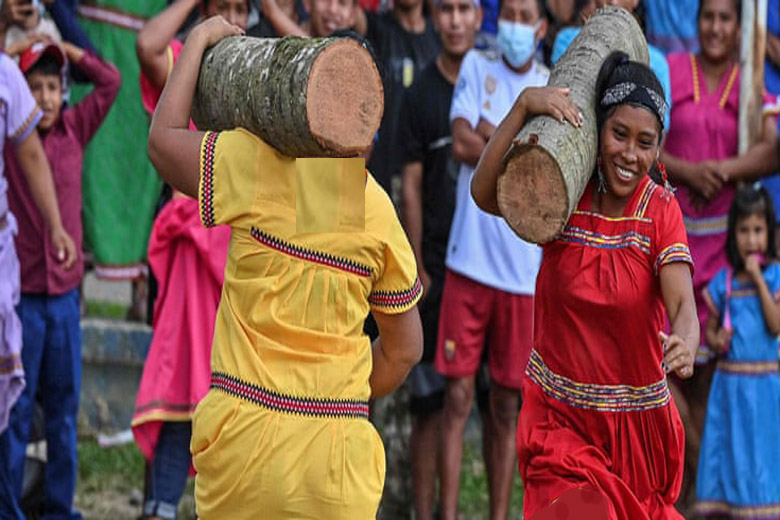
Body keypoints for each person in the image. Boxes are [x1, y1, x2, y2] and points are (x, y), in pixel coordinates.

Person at [147, 15, 424, 519]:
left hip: (242, 446)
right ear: (374, 123)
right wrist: (339, 390)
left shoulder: (256, 167)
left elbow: (162, 142)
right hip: (334, 461)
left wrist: (199, 42)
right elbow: (405, 351)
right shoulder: (377, 212)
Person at [473, 50, 699, 519]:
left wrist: (687, 341)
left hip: (633, 435)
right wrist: (522, 107)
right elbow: (484, 192)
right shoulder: (564, 192)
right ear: (598, 130)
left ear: (659, 148)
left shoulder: (659, 211)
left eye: (645, 142)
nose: (629, 155)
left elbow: (683, 306)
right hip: (560, 423)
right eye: (619, 135)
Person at [132, 2, 248, 519]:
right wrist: (198, 28)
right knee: (180, 385)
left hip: (239, 257)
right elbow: (146, 45)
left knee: (227, 396)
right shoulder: (184, 61)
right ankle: (158, 507)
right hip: (188, 255)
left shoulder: (257, 75)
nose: (229, 16)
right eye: (218, 6)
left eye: (239, 7)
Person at [660, 0, 779, 507]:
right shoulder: (670, 71)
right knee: (666, 379)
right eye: (707, 16)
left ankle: (697, 500)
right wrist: (687, 172)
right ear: (696, 20)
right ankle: (674, 492)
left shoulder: (749, 82)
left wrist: (723, 169)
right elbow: (640, 139)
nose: (714, 27)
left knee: (710, 385)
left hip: (722, 262)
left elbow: (773, 149)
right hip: (670, 251)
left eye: (726, 18)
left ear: (738, 26)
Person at [434, 1, 548, 518]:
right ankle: (450, 514)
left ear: (542, 28)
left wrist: (488, 135)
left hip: (524, 275)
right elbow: (460, 142)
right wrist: (516, 151)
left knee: (507, 407)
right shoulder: (477, 67)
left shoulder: (552, 87)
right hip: (469, 262)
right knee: (455, 399)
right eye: (511, 14)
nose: (516, 26)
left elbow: (541, 172)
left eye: (526, 17)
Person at [0, 40, 110, 520]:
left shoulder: (75, 129)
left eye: (53, 86)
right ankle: (8, 509)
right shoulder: (11, 142)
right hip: (22, 300)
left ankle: (60, 510)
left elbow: (111, 81)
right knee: (15, 415)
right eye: (34, 86)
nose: (44, 98)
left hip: (64, 301)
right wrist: (17, 48)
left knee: (63, 415)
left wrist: (61, 45)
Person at [399, 0, 481, 517]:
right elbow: (409, 183)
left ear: (480, 17)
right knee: (428, 403)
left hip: (485, 270)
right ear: (434, 17)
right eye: (445, 9)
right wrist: (416, 265)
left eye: (464, 8)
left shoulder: (493, 84)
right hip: (434, 265)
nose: (454, 20)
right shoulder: (421, 93)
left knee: (488, 400)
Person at [695, 186, 780, 519]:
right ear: (733, 235)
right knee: (733, 452)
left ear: (769, 232)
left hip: (766, 389)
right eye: (744, 231)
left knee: (763, 455)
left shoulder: (774, 278)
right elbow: (711, 331)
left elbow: (775, 326)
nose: (751, 240)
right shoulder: (724, 282)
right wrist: (717, 340)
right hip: (730, 387)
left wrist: (759, 279)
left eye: (758, 230)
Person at [551, 0, 672, 130]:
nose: (613, 1)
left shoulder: (657, 63)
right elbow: (560, 97)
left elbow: (659, 129)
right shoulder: (567, 40)